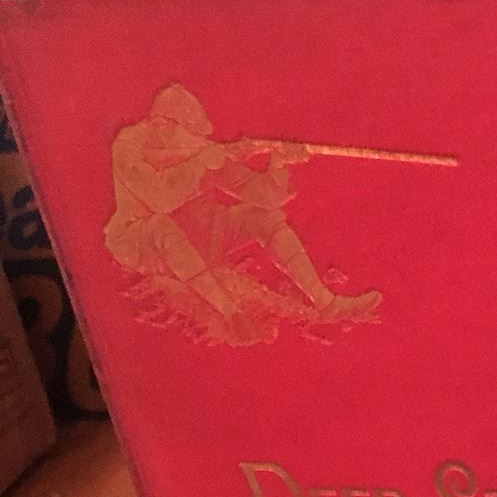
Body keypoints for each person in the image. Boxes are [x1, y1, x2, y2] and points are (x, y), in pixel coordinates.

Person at [104, 82, 379, 344]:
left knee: (263, 218)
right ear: (163, 126)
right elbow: (160, 199)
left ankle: (326, 303)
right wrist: (200, 162)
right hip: (143, 244)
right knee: (162, 225)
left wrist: (278, 163)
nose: (201, 142)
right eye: (192, 135)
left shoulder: (202, 152)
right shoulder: (128, 146)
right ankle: (231, 314)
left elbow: (265, 197)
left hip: (201, 237)